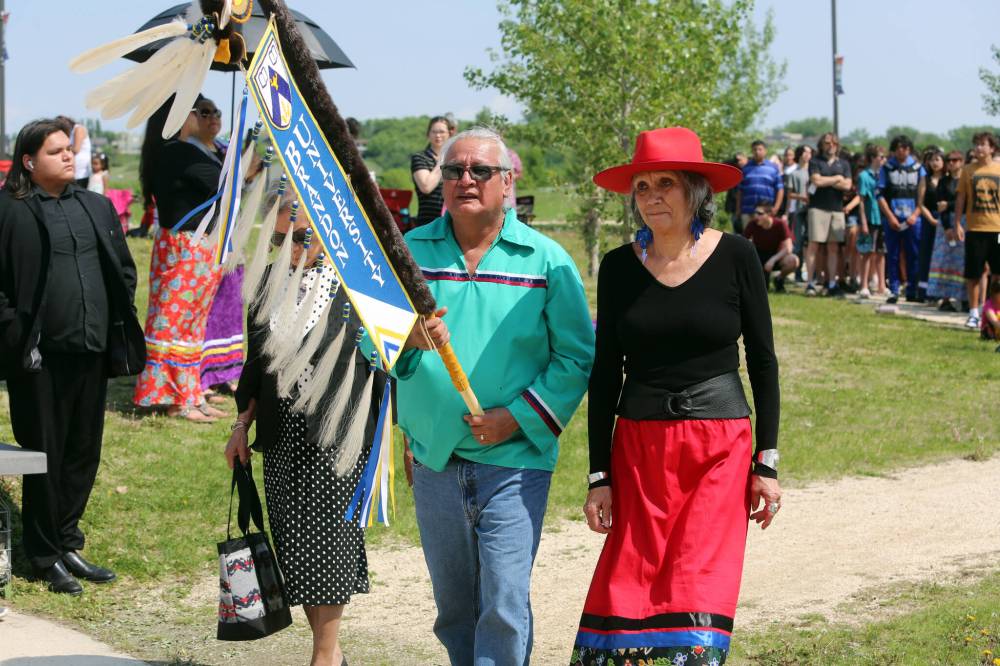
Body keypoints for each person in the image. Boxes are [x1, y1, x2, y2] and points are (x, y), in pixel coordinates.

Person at [573, 127, 781, 666]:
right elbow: (604, 373)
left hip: (719, 446)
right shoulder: (619, 268)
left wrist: (768, 462)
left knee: (698, 578)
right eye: (641, 186)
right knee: (630, 575)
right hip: (638, 448)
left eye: (666, 183)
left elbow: (762, 362)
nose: (652, 196)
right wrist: (600, 476)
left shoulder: (737, 256)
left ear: (696, 192)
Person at [395, 127, 594, 664]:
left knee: (504, 603)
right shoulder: (409, 253)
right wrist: (408, 340)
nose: (465, 180)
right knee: (454, 608)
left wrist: (518, 418)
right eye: (454, 169)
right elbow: (374, 344)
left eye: (480, 170)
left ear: (507, 182)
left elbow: (576, 357)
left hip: (515, 460)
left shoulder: (546, 260)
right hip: (435, 456)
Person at [225, 190, 381, 666]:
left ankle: (323, 656)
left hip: (339, 434)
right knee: (296, 546)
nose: (293, 248)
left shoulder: (360, 286)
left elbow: (389, 367)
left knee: (329, 543)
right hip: (281, 436)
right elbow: (255, 366)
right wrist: (240, 425)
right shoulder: (268, 282)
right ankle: (331, 653)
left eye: (304, 237)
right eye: (283, 238)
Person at [0, 119, 144, 594]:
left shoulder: (96, 206)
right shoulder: (10, 210)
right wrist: (13, 329)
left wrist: (114, 318)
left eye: (69, 149)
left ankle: (67, 540)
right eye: (55, 151)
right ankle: (42, 554)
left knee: (83, 452)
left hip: (92, 348)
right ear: (29, 161)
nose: (67, 156)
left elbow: (123, 270)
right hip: (39, 356)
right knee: (45, 453)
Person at [132, 96, 225, 421]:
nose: (205, 117)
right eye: (198, 111)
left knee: (191, 323)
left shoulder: (179, 151)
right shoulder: (178, 153)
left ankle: (190, 392)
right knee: (176, 321)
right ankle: (175, 398)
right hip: (186, 247)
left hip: (193, 246)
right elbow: (222, 186)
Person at [954, 132, 1000, 329]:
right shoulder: (967, 170)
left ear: (992, 148)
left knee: (998, 273)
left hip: (997, 229)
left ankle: (994, 310)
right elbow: (961, 199)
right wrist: (957, 223)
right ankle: (973, 312)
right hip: (975, 228)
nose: (979, 148)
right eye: (977, 144)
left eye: (983, 144)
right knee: (973, 272)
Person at [877, 135, 927, 304]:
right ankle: (894, 289)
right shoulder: (887, 168)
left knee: (914, 254)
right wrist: (890, 216)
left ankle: (912, 289)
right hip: (892, 219)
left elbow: (923, 196)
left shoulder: (919, 168)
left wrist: (915, 215)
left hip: (913, 220)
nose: (901, 150)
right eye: (898, 147)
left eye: (905, 147)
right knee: (893, 255)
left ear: (910, 149)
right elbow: (880, 195)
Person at [805, 132, 852, 297]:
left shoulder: (844, 163)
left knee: (833, 248)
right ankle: (810, 283)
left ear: (837, 145)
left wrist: (828, 181)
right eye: (827, 142)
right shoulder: (815, 161)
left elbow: (847, 186)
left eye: (833, 143)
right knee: (813, 245)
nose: (830, 145)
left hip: (836, 209)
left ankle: (832, 283)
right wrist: (837, 179)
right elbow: (816, 181)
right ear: (822, 145)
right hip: (817, 208)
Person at [927, 150, 966, 311]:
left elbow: (964, 201)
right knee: (944, 261)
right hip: (945, 224)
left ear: (962, 162)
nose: (951, 163)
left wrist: (949, 205)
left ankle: (965, 299)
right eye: (949, 160)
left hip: (964, 223)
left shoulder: (967, 180)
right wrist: (947, 227)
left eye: (955, 160)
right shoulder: (944, 182)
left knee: (962, 262)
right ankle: (945, 298)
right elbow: (939, 206)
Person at [743, 199, 799, 292]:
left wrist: (773, 259)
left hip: (775, 256)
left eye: (760, 213)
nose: (756, 216)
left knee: (794, 260)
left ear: (769, 214)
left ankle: (779, 279)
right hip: (758, 257)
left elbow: (789, 248)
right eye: (755, 213)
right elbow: (743, 242)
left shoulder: (780, 224)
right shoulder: (753, 224)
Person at [734, 140, 783, 235]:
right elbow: (740, 191)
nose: (757, 151)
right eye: (754, 149)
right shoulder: (745, 168)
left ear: (765, 151)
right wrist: (738, 209)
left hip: (766, 211)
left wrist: (776, 207)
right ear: (752, 151)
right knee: (747, 239)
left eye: (760, 149)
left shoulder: (773, 168)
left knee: (765, 238)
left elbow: (780, 189)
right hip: (747, 209)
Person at [857, 144, 887, 298]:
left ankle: (882, 285)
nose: (884, 160)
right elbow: (861, 200)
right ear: (872, 158)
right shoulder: (863, 176)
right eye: (881, 157)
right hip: (870, 217)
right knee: (867, 252)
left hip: (883, 218)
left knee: (881, 253)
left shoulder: (884, 175)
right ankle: (864, 285)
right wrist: (863, 222)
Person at [410, 116, 450, 228]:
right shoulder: (419, 158)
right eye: (434, 132)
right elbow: (426, 187)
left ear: (449, 134)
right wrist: (443, 159)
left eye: (442, 132)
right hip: (427, 222)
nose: (438, 135)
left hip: (451, 222)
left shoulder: (455, 160)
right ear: (428, 134)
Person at [918, 148, 946, 302]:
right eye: (932, 160)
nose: (935, 163)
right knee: (926, 254)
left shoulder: (948, 180)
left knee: (941, 257)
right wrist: (931, 219)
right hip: (929, 219)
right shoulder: (925, 179)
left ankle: (940, 292)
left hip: (945, 220)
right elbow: (920, 203)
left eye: (938, 159)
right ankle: (924, 291)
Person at [786, 144, 812, 277]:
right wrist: (803, 197)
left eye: (810, 152)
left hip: (813, 211)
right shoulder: (794, 173)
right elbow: (790, 195)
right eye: (806, 152)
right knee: (799, 241)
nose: (808, 155)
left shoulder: (814, 171)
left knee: (811, 242)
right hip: (799, 211)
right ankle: (797, 271)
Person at [55, 116, 92, 188]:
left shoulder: (78, 129)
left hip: (81, 169)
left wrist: (61, 148)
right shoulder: (71, 131)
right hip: (74, 168)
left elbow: (76, 149)